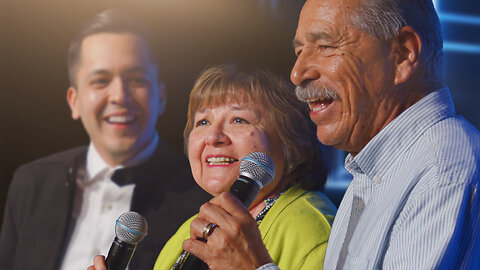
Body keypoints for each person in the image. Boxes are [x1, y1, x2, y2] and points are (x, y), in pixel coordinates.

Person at [0, 9, 210, 270]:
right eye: (100, 81)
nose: (120, 96)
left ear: (161, 96)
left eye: (136, 79)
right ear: (74, 101)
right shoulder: (30, 182)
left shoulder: (203, 200)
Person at [288, 0, 480, 269]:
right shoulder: (375, 172)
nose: (297, 73)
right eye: (299, 50)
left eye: (325, 46)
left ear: (402, 54)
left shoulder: (442, 175)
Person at [88, 64, 336, 270]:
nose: (213, 136)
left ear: (290, 140)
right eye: (203, 121)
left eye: (239, 119)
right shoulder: (187, 232)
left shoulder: (310, 227)